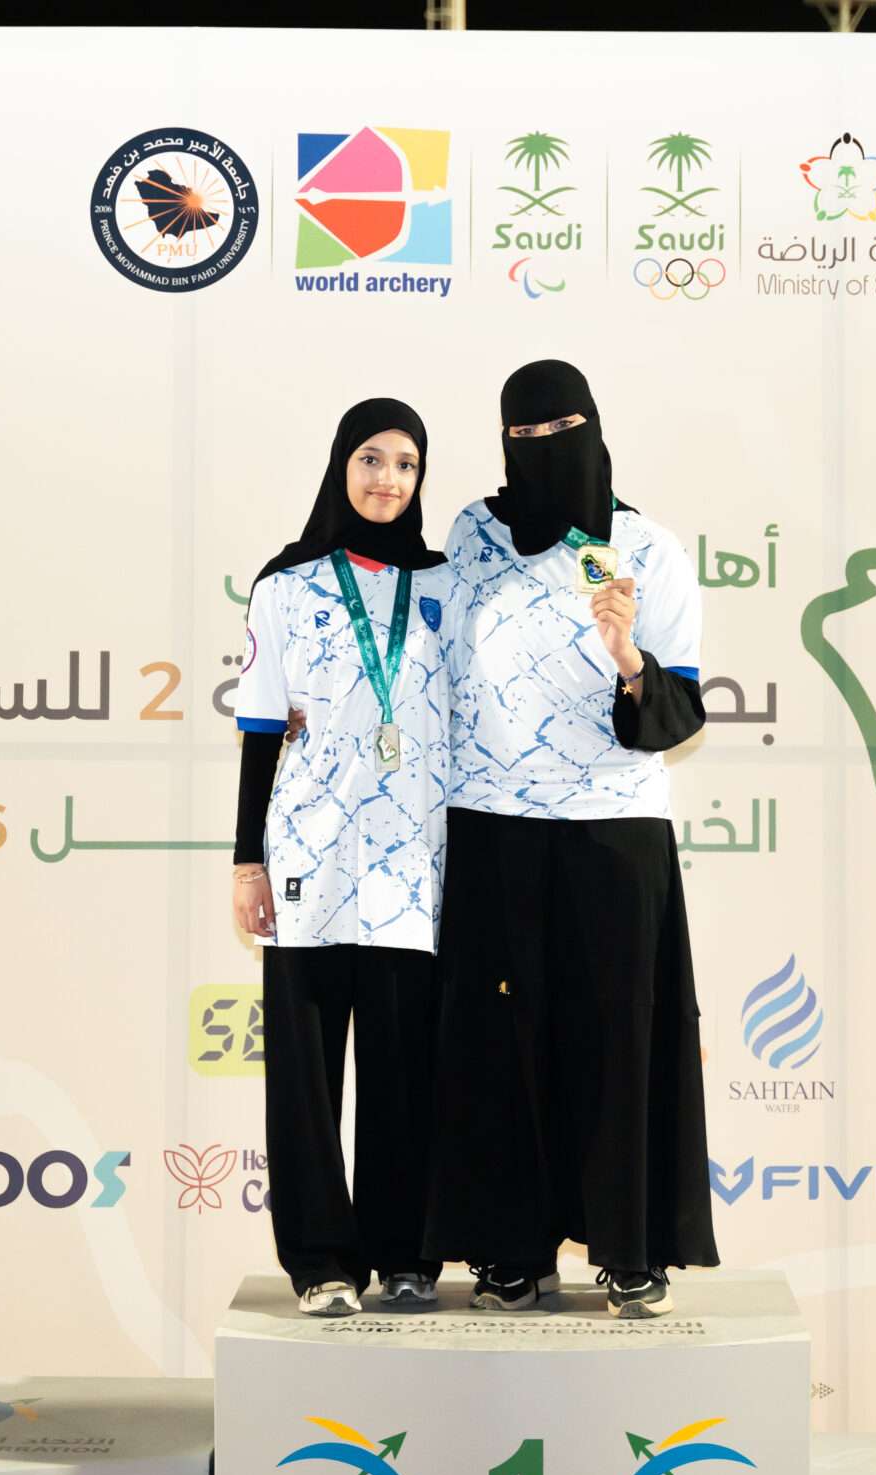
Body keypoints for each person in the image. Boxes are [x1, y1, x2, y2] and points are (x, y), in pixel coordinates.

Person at [427, 359, 717, 1319]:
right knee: (497, 1045)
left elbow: (680, 711)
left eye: (564, 433)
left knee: (618, 1039)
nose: (547, 452)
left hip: (614, 826)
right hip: (491, 821)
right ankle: (511, 1250)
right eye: (526, 438)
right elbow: (435, 660)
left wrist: (630, 657)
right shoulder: (472, 534)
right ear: (503, 444)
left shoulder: (649, 548)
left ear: (595, 429)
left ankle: (630, 1248)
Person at [231, 398, 462, 1316]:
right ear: (341, 465)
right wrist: (246, 862)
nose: (387, 479)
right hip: (309, 854)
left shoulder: (446, 586)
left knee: (406, 1069)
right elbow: (260, 728)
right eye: (371, 458)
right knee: (306, 1070)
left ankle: (405, 1254)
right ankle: (321, 1260)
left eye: (407, 463)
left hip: (414, 858)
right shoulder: (285, 585)